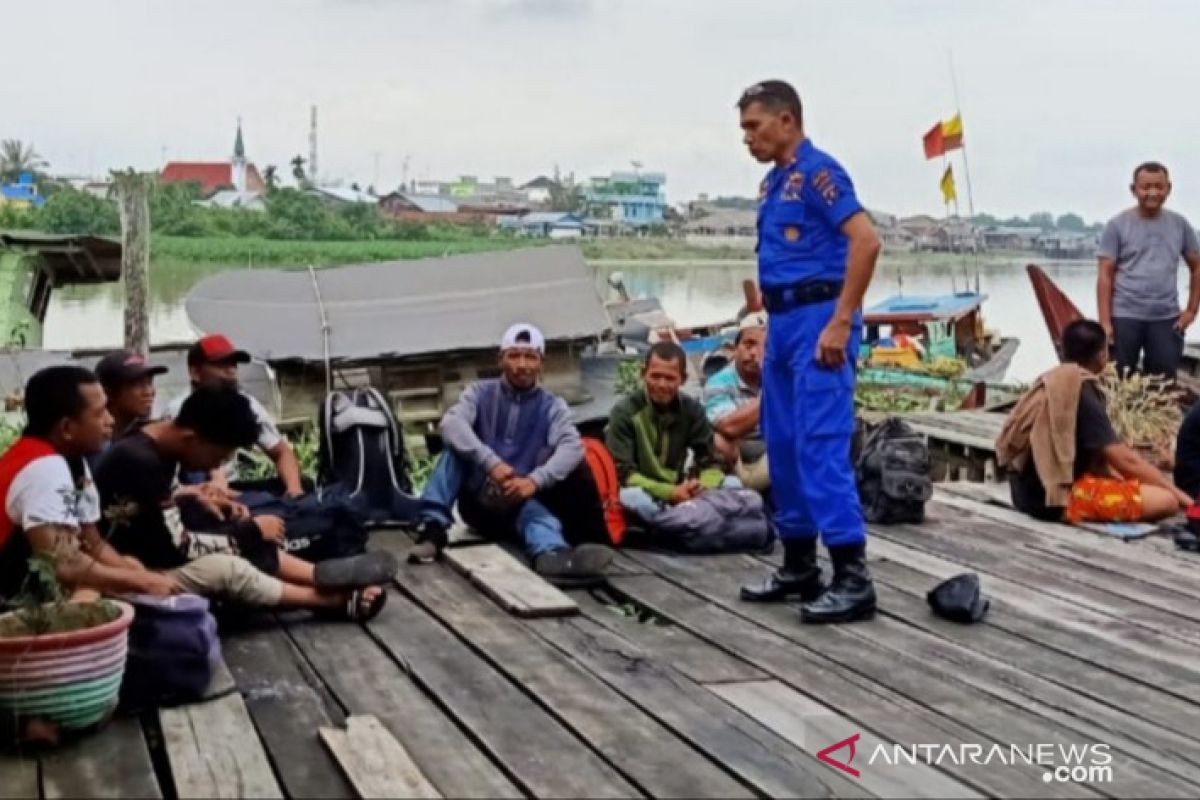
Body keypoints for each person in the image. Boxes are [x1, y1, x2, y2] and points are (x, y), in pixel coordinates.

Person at [734, 80, 881, 624]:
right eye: (744, 129)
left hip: (823, 319)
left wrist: (842, 320)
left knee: (820, 444)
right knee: (785, 443)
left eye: (755, 126)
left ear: (787, 121)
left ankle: (852, 575)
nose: (747, 139)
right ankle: (799, 564)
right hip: (784, 324)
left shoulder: (821, 173)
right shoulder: (774, 184)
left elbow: (866, 240)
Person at [95, 383, 392, 619]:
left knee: (226, 522)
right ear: (192, 437)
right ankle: (328, 599)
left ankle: (316, 575)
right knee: (229, 565)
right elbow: (178, 547)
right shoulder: (140, 460)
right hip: (135, 567)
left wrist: (193, 494)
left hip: (152, 544)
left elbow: (154, 504)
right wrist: (250, 532)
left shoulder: (157, 440)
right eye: (219, 456)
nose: (219, 464)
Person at [409, 323, 612, 585]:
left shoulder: (553, 406)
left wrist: (534, 481)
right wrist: (490, 463)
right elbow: (451, 424)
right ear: (501, 359)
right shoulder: (479, 393)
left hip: (517, 500)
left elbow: (572, 447)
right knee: (454, 451)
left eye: (530, 356)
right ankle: (432, 531)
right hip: (477, 500)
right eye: (514, 355)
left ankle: (551, 556)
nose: (522, 364)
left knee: (541, 520)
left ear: (541, 363)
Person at [0, 366, 176, 607]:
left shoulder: (72, 460)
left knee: (128, 566)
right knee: (90, 591)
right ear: (66, 428)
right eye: (100, 413)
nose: (110, 421)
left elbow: (91, 542)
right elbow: (63, 564)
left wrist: (134, 573)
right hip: (12, 601)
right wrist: (138, 582)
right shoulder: (44, 467)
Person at [997, 319, 1191, 524]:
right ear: (1101, 355)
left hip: (1024, 492)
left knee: (1135, 481)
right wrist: (1185, 501)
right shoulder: (1081, 389)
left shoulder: (1051, 379)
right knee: (1165, 500)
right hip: (1055, 500)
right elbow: (1125, 461)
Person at [165, 334, 304, 497]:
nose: (230, 371)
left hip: (234, 488)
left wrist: (294, 492)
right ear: (195, 372)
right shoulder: (177, 411)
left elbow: (281, 452)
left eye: (233, 364)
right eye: (221, 364)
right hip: (195, 492)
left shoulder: (247, 405)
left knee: (302, 486)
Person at [1097, 162, 1200, 380]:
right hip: (1124, 316)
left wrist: (1191, 311)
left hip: (1166, 317)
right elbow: (1105, 275)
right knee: (1119, 380)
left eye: (1158, 187)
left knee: (1162, 383)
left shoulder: (1180, 225)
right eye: (1145, 187)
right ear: (1134, 190)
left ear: (1168, 188)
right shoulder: (1117, 225)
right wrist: (1105, 322)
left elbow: (1197, 267)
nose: (1152, 193)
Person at [606, 341, 728, 522]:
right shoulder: (625, 411)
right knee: (633, 499)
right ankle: (675, 525)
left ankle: (678, 522)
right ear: (643, 374)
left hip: (681, 489)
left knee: (733, 484)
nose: (662, 384)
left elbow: (711, 461)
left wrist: (700, 487)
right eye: (655, 376)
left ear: (683, 379)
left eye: (670, 378)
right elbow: (624, 475)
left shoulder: (692, 409)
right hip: (644, 490)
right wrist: (669, 492)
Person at [704, 312, 769, 491]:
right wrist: (774, 391)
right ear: (735, 348)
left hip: (774, 451)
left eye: (765, 347)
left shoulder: (780, 377)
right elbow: (729, 427)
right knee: (718, 441)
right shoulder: (718, 382)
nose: (754, 353)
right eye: (748, 345)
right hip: (738, 461)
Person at [95, 350, 168, 440]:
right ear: (109, 393)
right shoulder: (93, 446)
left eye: (150, 382)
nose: (149, 392)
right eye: (137, 384)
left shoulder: (151, 439)